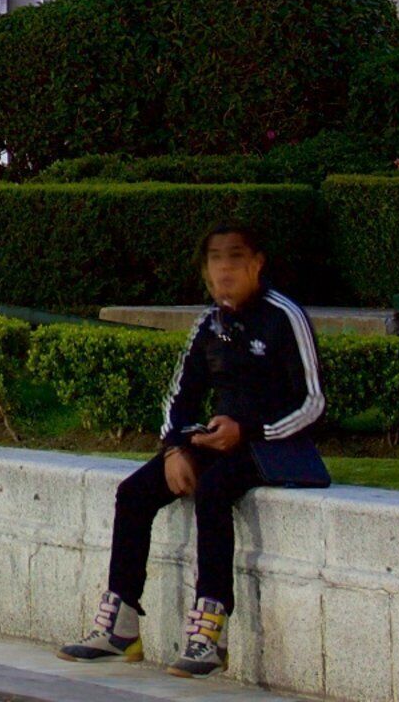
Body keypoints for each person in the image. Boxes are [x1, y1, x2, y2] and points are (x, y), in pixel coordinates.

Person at [61, 224, 328, 676]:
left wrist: (248, 430)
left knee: (214, 490)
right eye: (215, 259)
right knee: (134, 493)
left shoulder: (285, 316)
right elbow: (179, 397)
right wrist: (174, 450)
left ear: (257, 263)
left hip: (272, 444)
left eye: (235, 257)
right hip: (218, 438)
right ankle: (121, 626)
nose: (224, 269)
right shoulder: (209, 323)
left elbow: (314, 403)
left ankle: (209, 634)